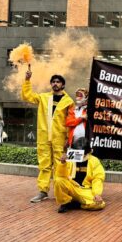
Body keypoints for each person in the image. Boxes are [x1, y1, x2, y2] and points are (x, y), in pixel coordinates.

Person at [22, 70, 74, 203]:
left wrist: (69, 139)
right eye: (53, 82)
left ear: (63, 85)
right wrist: (27, 80)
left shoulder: (68, 101)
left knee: (60, 165)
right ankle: (43, 191)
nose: (55, 84)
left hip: (59, 138)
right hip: (44, 136)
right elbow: (27, 96)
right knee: (44, 165)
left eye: (58, 82)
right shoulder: (43, 97)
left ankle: (60, 191)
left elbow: (71, 121)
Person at [54, 137, 105, 213]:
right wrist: (63, 163)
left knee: (98, 204)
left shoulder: (94, 161)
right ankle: (65, 202)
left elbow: (97, 179)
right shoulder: (70, 157)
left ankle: (75, 204)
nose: (79, 155)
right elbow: (61, 176)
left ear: (87, 151)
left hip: (85, 190)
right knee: (58, 181)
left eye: (81, 153)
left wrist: (97, 194)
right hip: (72, 186)